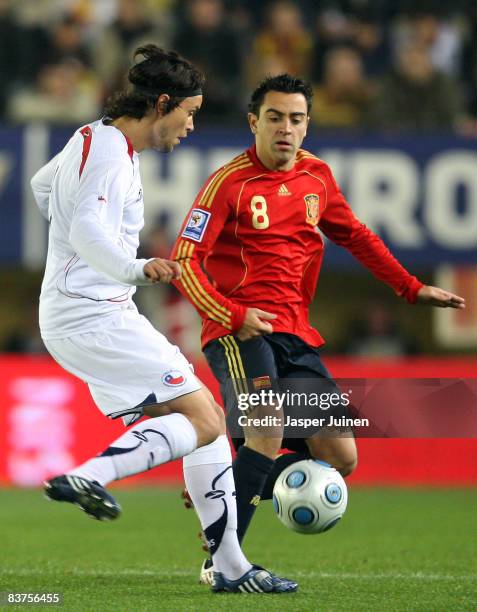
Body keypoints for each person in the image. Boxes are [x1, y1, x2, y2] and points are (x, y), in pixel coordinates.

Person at [171, 73, 466, 583]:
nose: (286, 128)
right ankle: (223, 563)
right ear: (253, 122)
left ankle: (227, 478)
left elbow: (356, 235)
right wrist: (234, 316)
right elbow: (184, 259)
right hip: (243, 335)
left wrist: (410, 287)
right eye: (275, 117)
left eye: (296, 119)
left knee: (340, 455)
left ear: (307, 125)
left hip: (297, 335)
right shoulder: (227, 184)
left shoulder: (318, 178)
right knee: (266, 432)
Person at [31, 45, 296, 595]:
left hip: (82, 313)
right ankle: (92, 476)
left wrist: (78, 256)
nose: (191, 125)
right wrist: (132, 266)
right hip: (94, 314)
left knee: (206, 429)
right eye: (190, 113)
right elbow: (84, 229)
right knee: (204, 418)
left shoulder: (93, 138)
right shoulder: (107, 151)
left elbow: (42, 187)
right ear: (162, 103)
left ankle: (229, 566)